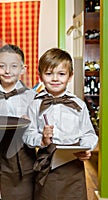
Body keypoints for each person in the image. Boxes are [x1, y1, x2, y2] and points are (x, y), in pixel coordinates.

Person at [22, 48, 98, 200]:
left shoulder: (79, 105)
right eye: (49, 74)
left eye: (61, 74)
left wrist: (86, 148)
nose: (55, 79)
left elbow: (89, 134)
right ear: (41, 76)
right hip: (47, 165)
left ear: (70, 76)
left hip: (73, 166)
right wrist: (42, 140)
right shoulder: (35, 104)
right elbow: (27, 134)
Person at [0, 44, 36, 200]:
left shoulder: (31, 96)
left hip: (24, 156)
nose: (7, 71)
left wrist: (29, 123)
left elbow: (38, 128)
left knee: (25, 193)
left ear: (23, 69)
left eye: (14, 66)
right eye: (2, 66)